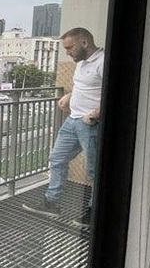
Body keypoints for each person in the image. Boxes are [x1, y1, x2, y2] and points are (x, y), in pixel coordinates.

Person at [23, 27, 103, 227]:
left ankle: (95, 212)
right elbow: (84, 86)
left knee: (94, 170)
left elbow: (115, 92)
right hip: (72, 121)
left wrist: (96, 112)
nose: (67, 52)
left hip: (90, 124)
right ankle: (51, 203)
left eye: (69, 48)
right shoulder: (81, 62)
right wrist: (69, 96)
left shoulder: (103, 61)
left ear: (84, 42)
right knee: (57, 159)